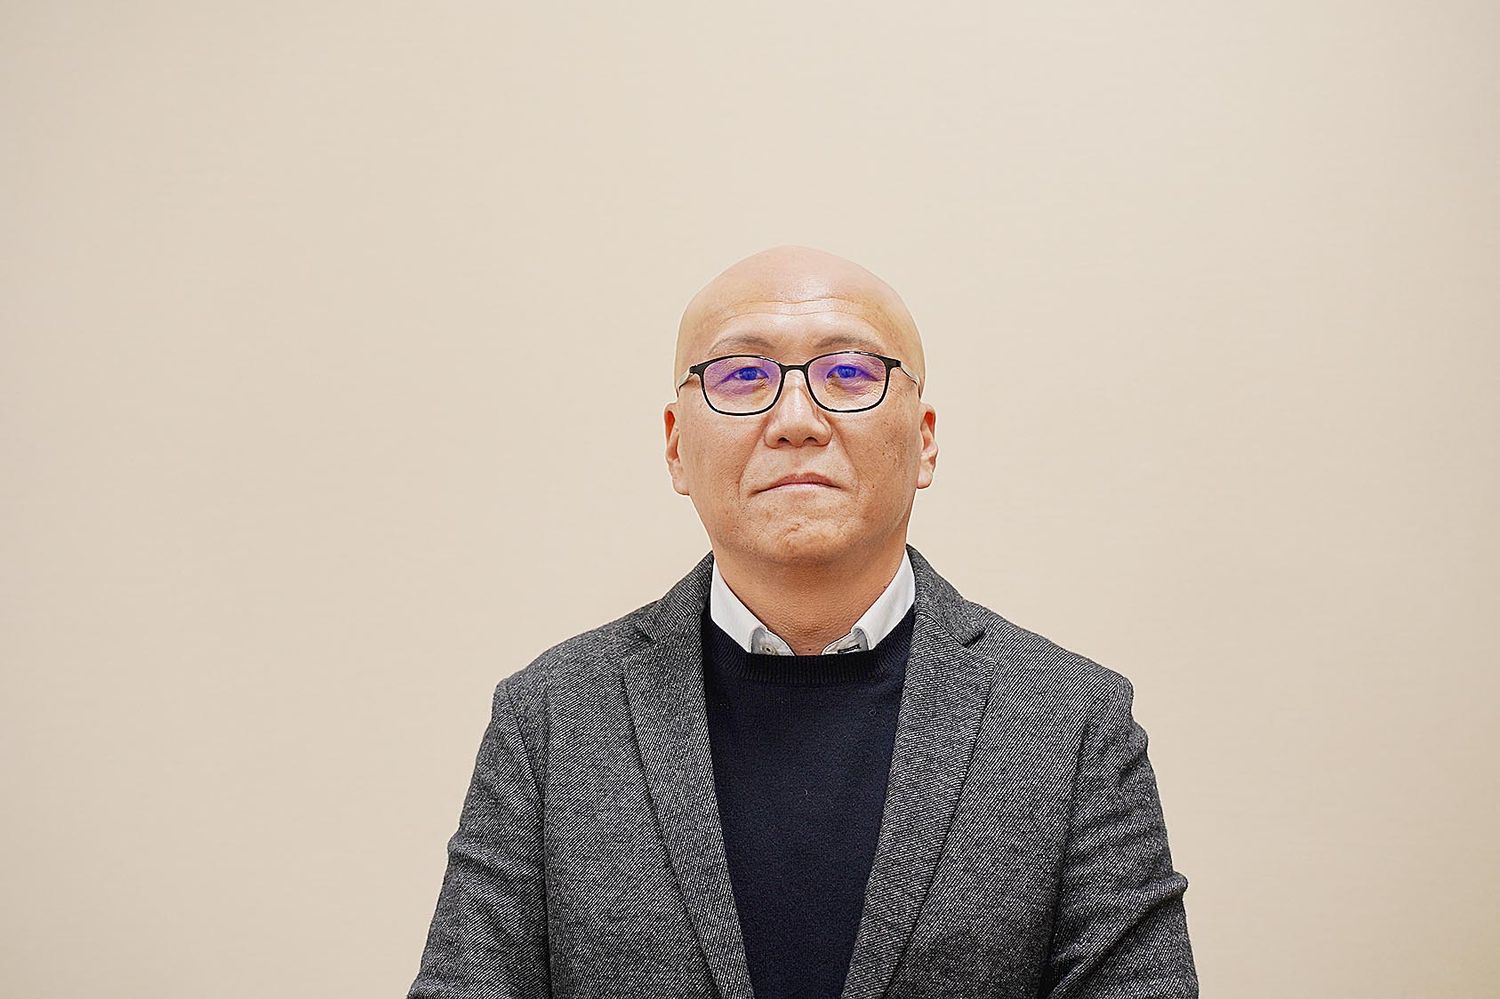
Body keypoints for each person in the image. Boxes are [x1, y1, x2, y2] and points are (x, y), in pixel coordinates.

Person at [407, 245, 1198, 998]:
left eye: (848, 373)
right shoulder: (547, 720)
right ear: (676, 447)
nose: (795, 418)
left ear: (924, 440)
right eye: (741, 374)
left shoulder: (1075, 724)